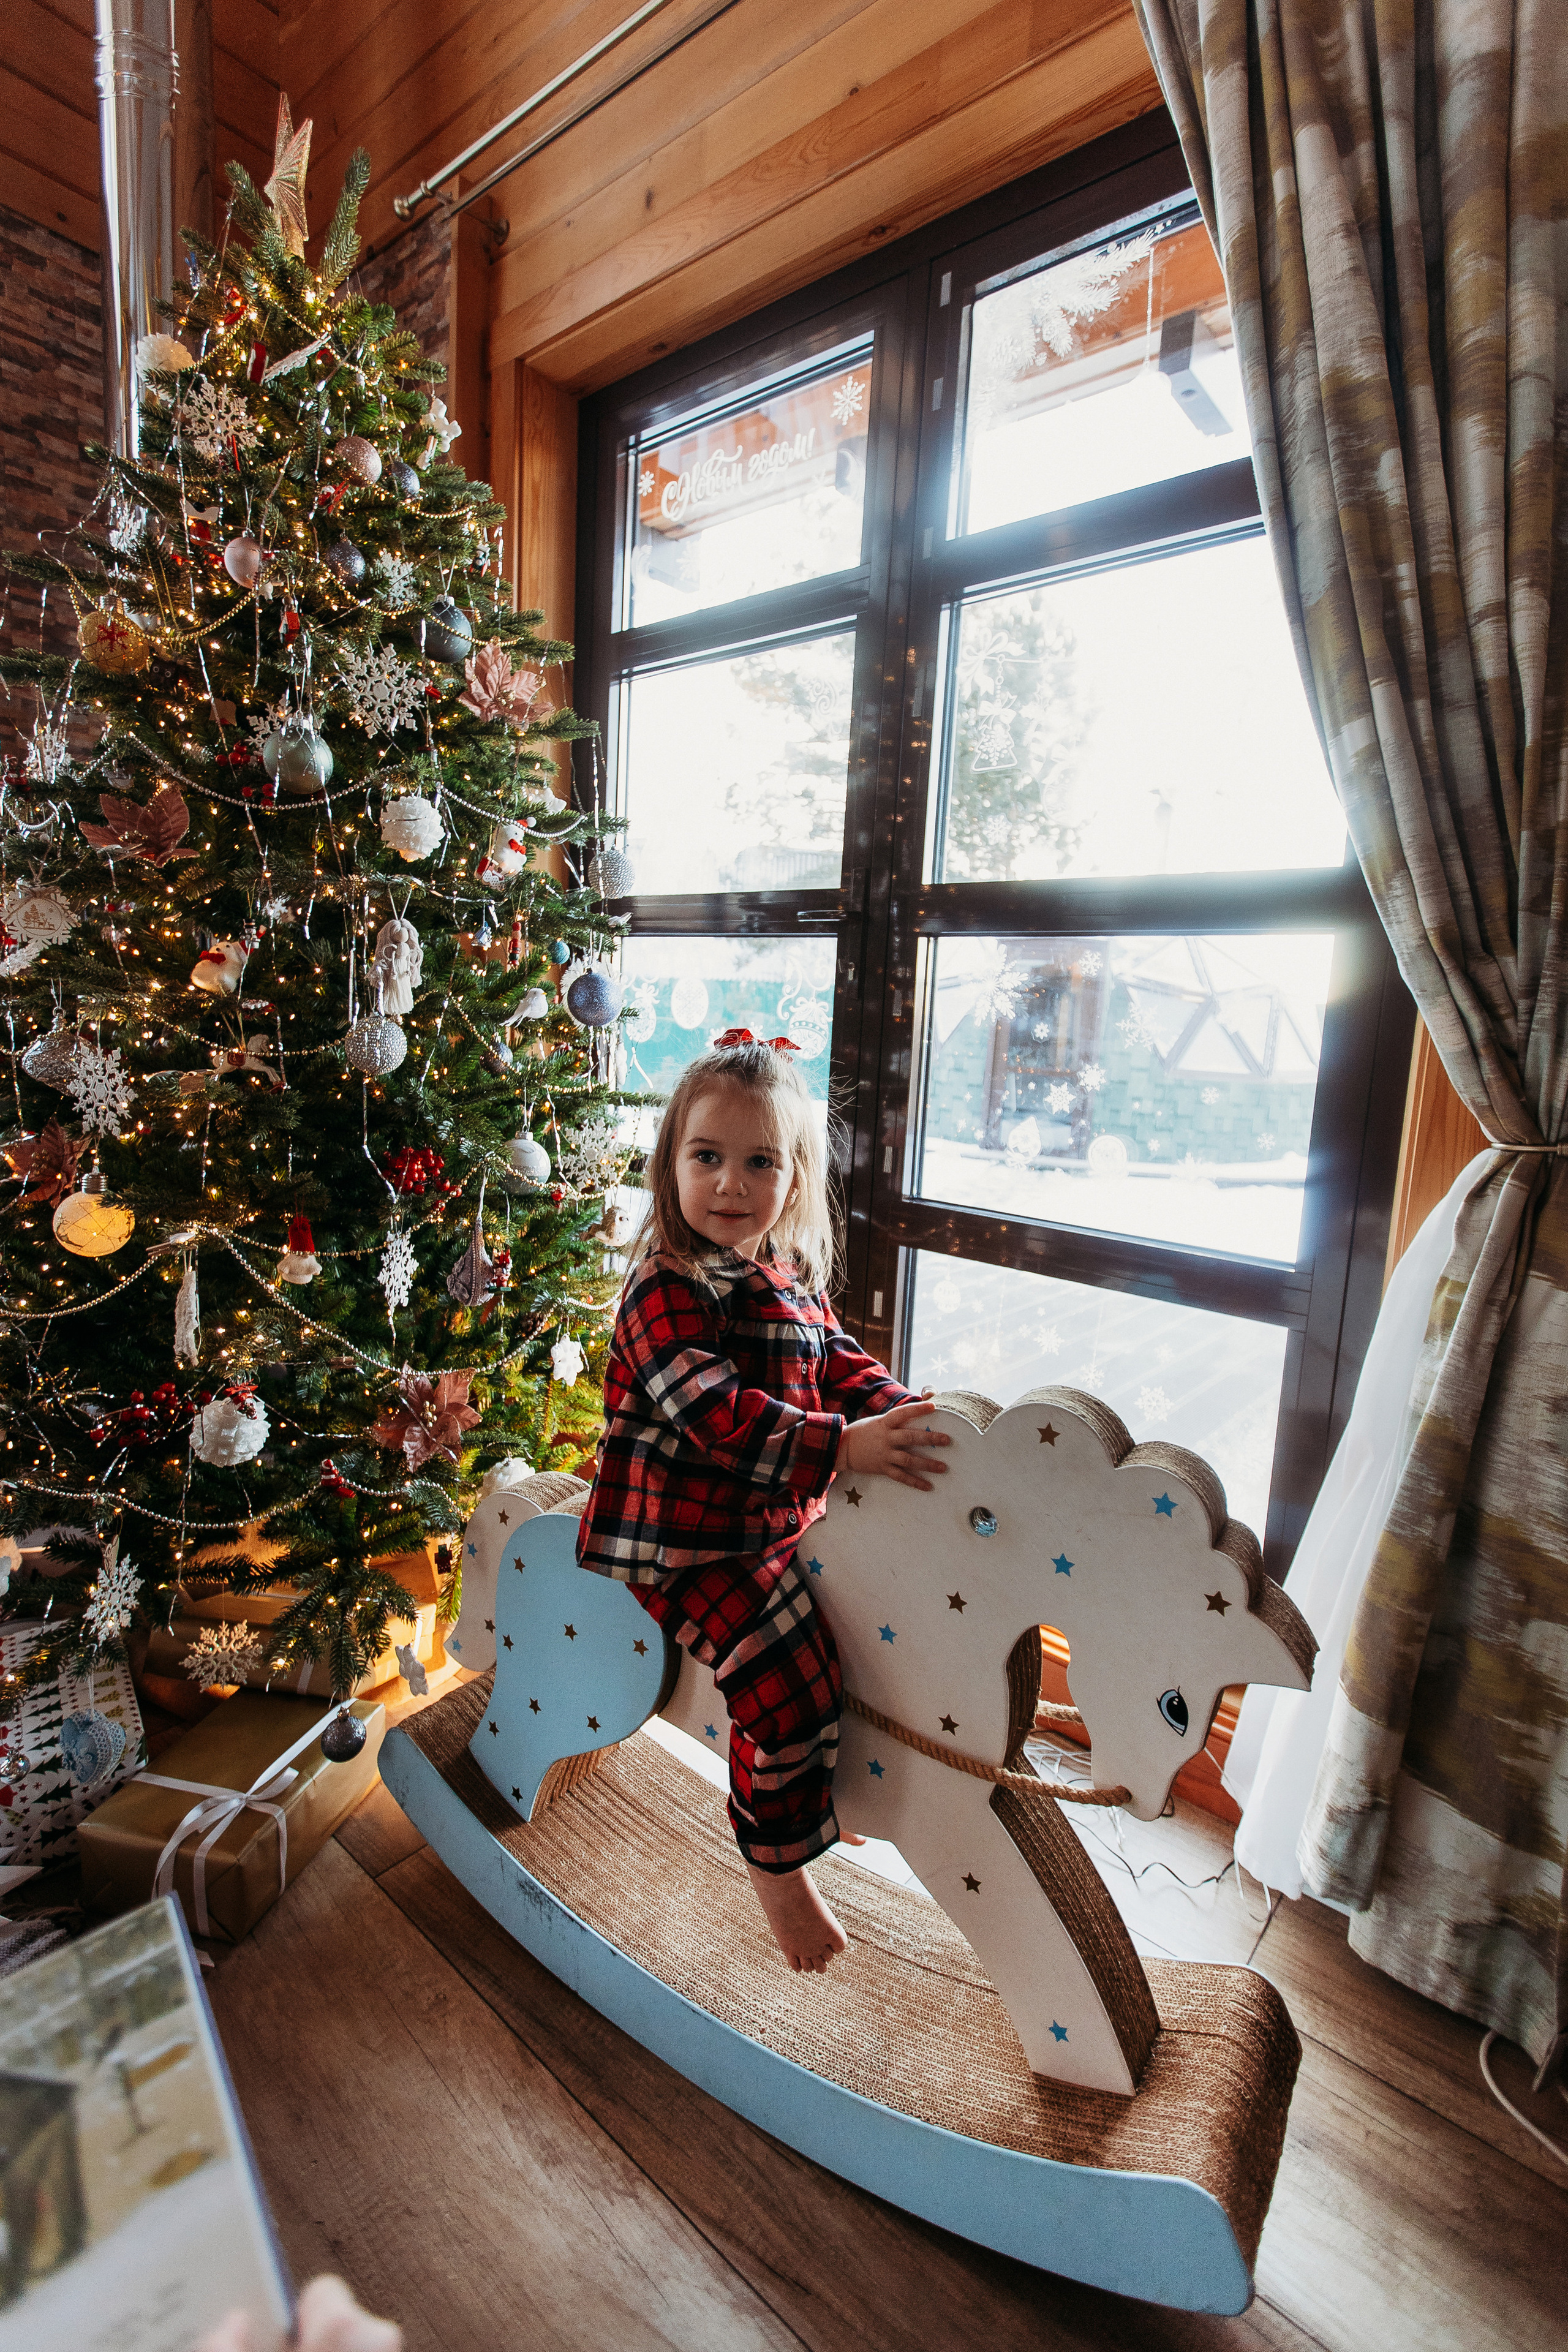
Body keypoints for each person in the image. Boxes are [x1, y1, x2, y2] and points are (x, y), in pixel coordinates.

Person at [576, 1033, 949, 1973]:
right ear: (672, 1164)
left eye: (758, 1162)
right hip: (683, 1544)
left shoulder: (778, 1278)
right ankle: (776, 1868)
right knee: (788, 1689)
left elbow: (845, 1369)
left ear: (793, 1180)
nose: (730, 1184)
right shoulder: (665, 1288)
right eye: (707, 1157)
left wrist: (908, 1418)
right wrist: (842, 1446)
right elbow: (714, 1414)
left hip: (765, 1527)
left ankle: (813, 1799)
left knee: (860, 1647)